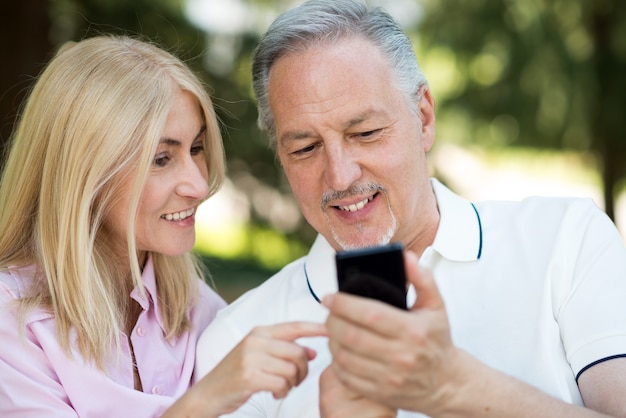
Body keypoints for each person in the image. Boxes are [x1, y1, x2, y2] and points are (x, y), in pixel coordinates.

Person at [195, 0, 626, 417]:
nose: (341, 176)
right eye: (306, 148)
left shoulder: (567, 240)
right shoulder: (237, 345)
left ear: (423, 117)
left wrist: (454, 389)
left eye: (364, 132)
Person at [0, 35, 326, 417]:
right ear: (84, 173)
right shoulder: (14, 322)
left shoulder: (200, 310)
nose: (199, 186)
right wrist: (205, 401)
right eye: (161, 159)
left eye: (196, 149)